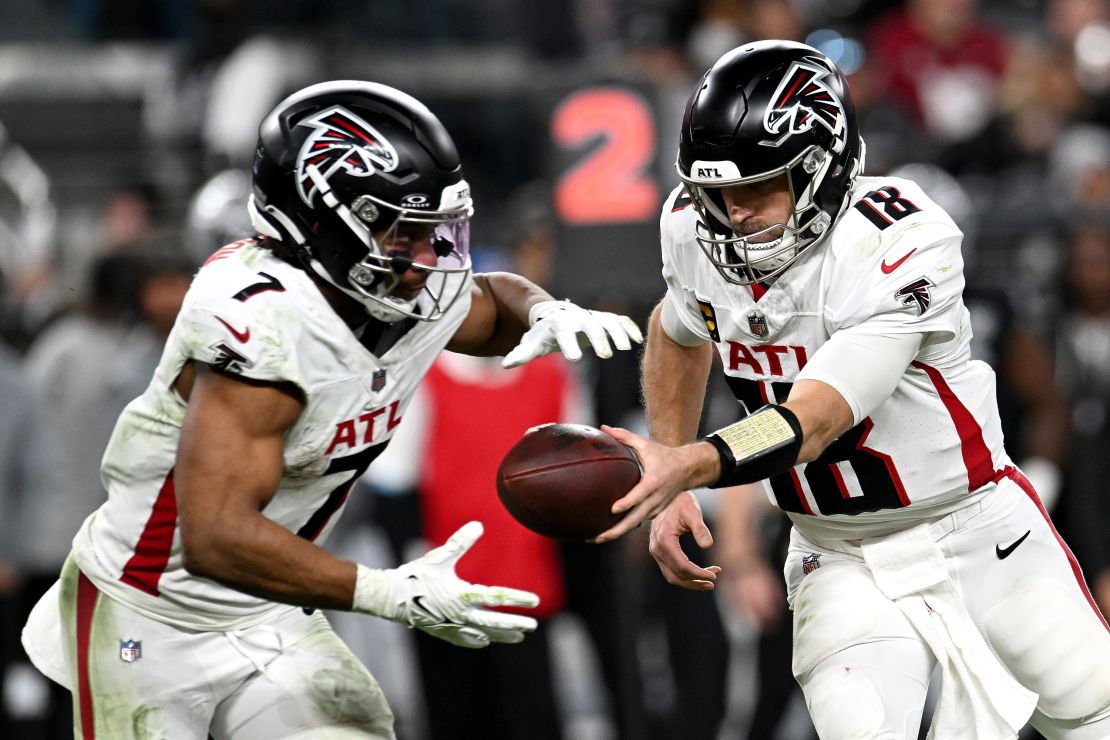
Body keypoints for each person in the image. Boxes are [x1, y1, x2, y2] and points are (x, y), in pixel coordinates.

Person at [19, 80, 642, 740]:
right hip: (149, 611)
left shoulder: (394, 287)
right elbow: (215, 537)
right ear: (321, 223)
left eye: (437, 232)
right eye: (405, 233)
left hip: (266, 610)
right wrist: (385, 591)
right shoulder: (264, 325)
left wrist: (544, 310)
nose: (429, 259)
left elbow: (489, 301)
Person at [594, 40, 1110, 738]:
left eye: (756, 188)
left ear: (823, 171)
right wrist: (669, 457)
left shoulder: (897, 243)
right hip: (836, 552)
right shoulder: (692, 229)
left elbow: (813, 419)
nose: (731, 214)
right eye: (715, 192)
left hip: (974, 528)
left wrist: (687, 464)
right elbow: (676, 325)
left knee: (1093, 714)